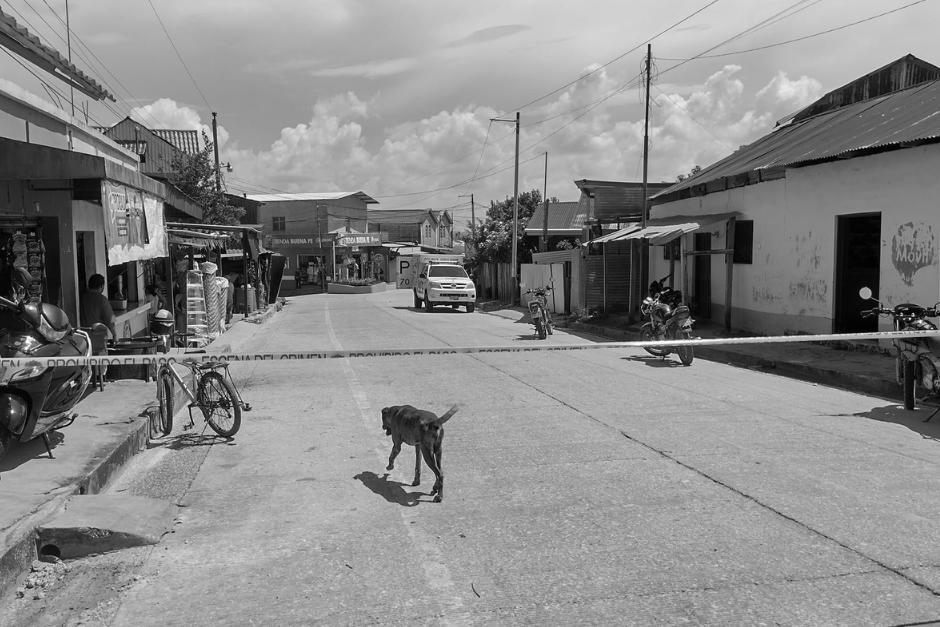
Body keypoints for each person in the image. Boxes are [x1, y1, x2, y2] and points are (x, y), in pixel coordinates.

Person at [80, 274, 117, 339]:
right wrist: (115, 335)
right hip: (98, 339)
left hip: (83, 337)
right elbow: (111, 319)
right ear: (101, 286)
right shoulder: (102, 299)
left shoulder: (82, 298)